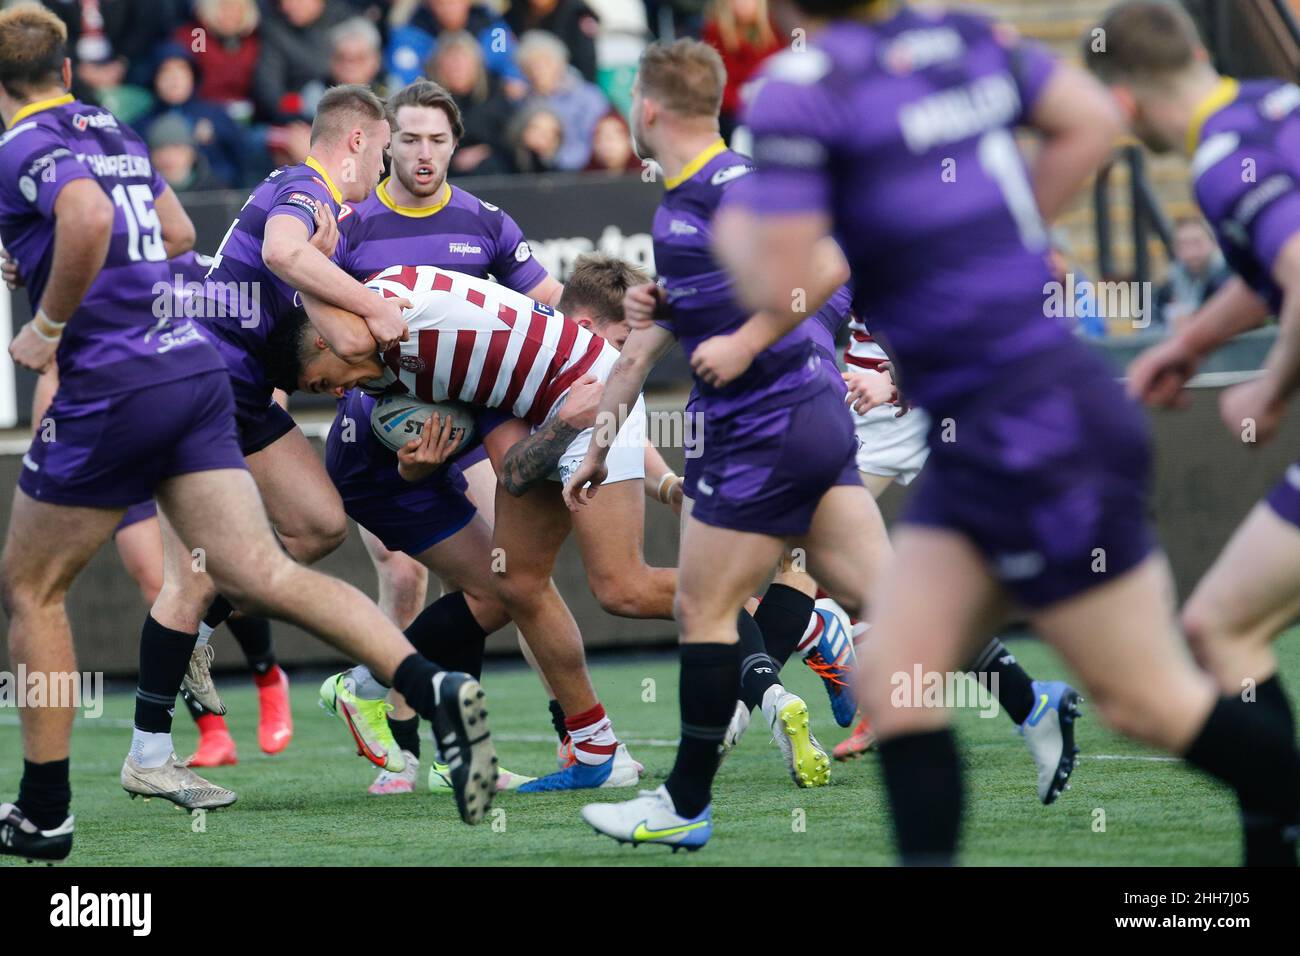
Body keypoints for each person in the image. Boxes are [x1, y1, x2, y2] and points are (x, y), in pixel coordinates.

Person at [714, 0, 1300, 866]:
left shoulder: (797, 89)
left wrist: (730, 230)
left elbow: (781, 273)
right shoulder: (955, 31)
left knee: (1151, 704)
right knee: (898, 677)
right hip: (994, 417)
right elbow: (1093, 119)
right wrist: (995, 231)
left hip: (1027, 421)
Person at [0, 8, 494, 863]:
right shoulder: (277, 182)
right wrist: (377, 310)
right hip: (205, 376)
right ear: (357, 144)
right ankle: (414, 684)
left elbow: (124, 229)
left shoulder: (40, 146)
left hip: (159, 375)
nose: (386, 169)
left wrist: (44, 319)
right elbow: (235, 243)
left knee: (302, 531)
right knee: (255, 558)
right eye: (383, 153)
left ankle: (60, 793)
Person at [565, 39, 895, 849]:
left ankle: (683, 804)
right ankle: (1032, 700)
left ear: (646, 108)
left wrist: (744, 343)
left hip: (774, 418)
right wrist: (606, 441)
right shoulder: (684, 202)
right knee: (869, 590)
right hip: (795, 416)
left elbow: (828, 262)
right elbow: (646, 346)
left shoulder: (727, 185)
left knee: (705, 605)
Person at [1092, 0, 1300, 827]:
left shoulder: (1222, 157)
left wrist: (1269, 388)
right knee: (1227, 625)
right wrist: (1191, 346)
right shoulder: (1269, 106)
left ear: (1128, 99)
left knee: (1221, 626)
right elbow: (1269, 274)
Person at [516, 30, 609, 170]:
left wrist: (555, 158)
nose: (538, 70)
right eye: (531, 66)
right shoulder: (524, 102)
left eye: (545, 63)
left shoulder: (588, 97)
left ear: (561, 64)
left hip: (584, 174)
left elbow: (596, 141)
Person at [1156, 216, 1234, 329]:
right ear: (1175, 249)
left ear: (1213, 243)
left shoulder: (1231, 279)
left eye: (1196, 242)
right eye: (1183, 244)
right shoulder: (1167, 288)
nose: (1191, 251)